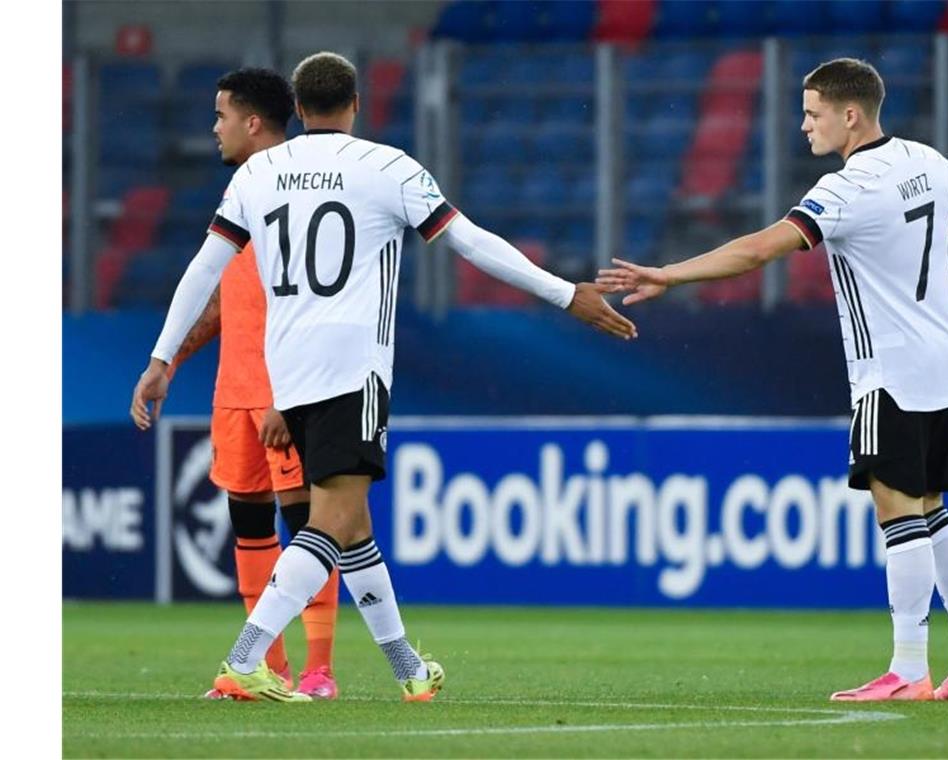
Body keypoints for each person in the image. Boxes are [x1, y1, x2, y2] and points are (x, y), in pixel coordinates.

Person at [132, 51, 637, 703]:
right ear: (356, 103)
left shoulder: (259, 175)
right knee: (332, 519)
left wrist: (161, 358)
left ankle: (408, 669)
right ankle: (246, 657)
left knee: (353, 523)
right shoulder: (387, 168)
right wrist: (566, 294)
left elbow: (204, 269)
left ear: (298, 105)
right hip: (354, 369)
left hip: (288, 372)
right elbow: (471, 242)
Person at [597, 58, 948, 702]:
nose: (803, 124)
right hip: (941, 365)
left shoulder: (849, 188)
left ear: (850, 115)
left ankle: (908, 670)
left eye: (813, 112)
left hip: (888, 374)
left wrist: (669, 274)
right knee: (932, 509)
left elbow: (761, 248)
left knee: (897, 511)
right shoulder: (931, 162)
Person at [131, 68, 341, 700]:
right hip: (234, 391)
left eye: (221, 116)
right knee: (251, 529)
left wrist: (290, 390)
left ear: (253, 122)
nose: (214, 128)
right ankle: (264, 670)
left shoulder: (301, 189)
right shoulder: (240, 193)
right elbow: (226, 299)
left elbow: (317, 296)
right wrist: (169, 362)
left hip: (291, 389)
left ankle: (319, 670)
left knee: (310, 527)